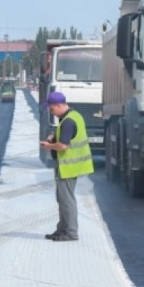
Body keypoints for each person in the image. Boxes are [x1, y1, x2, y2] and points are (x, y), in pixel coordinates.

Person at [39, 91, 94, 242]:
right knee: (62, 199)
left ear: (58, 105)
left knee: (67, 200)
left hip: (69, 166)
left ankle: (70, 232)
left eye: (51, 109)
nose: (51, 112)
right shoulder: (72, 116)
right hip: (69, 165)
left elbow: (63, 146)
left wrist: (48, 145)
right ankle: (62, 229)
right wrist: (54, 137)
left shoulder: (68, 121)